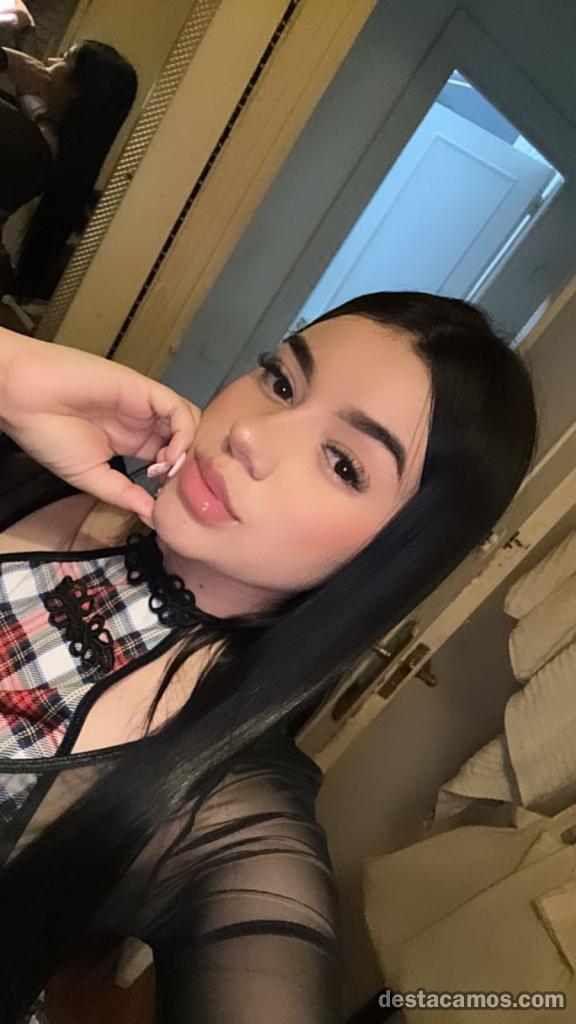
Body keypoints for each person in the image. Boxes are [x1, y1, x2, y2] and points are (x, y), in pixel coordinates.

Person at [0, 291, 537, 1023]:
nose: (251, 434)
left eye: (343, 463)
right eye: (282, 381)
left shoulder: (232, 814)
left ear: (391, 555)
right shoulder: (37, 462)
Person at [0, 39, 137, 298]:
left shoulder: (26, 144)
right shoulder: (49, 147)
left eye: (65, 58)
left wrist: (6, 60)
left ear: (77, 90)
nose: (50, 61)